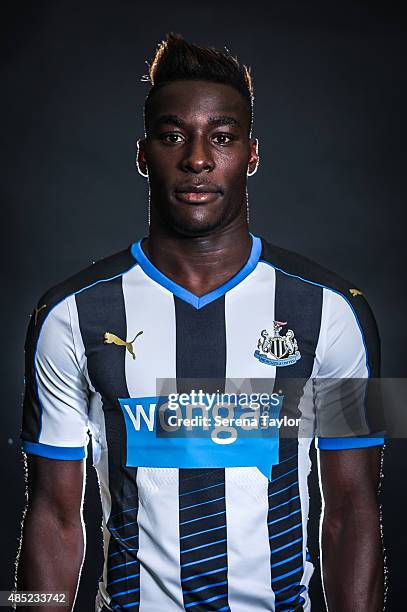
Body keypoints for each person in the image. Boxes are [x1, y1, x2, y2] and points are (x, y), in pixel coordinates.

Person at [16, 33, 385, 612]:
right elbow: (52, 517)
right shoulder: (69, 315)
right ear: (143, 154)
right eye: (172, 136)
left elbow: (354, 510)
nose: (197, 158)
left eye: (221, 137)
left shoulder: (334, 311)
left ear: (252, 155)